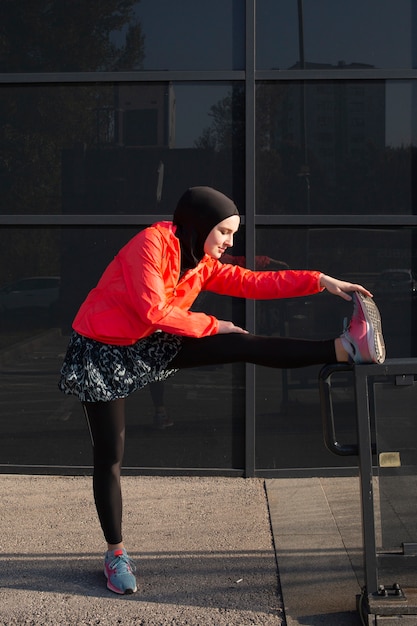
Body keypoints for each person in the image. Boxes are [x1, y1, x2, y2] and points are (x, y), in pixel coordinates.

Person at [59, 186, 385, 595]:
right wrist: (214, 324)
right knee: (110, 455)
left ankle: (346, 349)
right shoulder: (151, 243)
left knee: (241, 342)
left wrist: (319, 281)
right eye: (225, 232)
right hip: (103, 347)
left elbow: (252, 281)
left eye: (233, 234)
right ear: (200, 226)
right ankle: (116, 554)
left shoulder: (201, 261)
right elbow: (152, 309)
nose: (230, 242)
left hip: (151, 336)